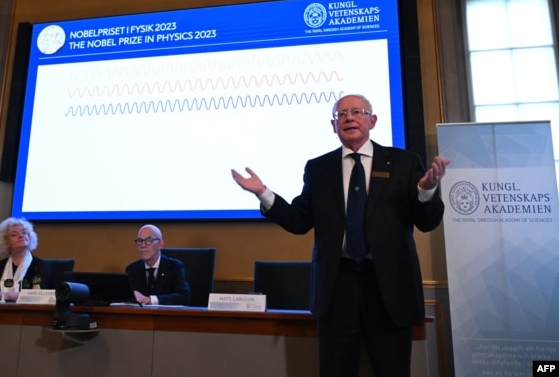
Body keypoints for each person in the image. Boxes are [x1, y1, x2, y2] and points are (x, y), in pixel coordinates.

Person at [231, 94, 451, 377]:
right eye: (341, 114)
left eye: (357, 112)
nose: (349, 117)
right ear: (333, 126)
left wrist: (426, 191)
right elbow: (299, 221)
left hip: (389, 288)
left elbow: (427, 222)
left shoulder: (404, 163)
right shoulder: (319, 168)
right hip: (337, 288)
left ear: (372, 121)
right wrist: (263, 192)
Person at [0, 217, 53, 302]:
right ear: (6, 241)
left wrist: (3, 295)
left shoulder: (39, 265)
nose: (21, 235)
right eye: (14, 234)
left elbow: (36, 294)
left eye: (24, 232)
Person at [125, 224, 191, 305]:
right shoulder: (132, 269)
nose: (143, 245)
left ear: (160, 244)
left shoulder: (175, 267)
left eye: (149, 240)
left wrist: (149, 300)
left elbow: (184, 297)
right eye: (140, 241)